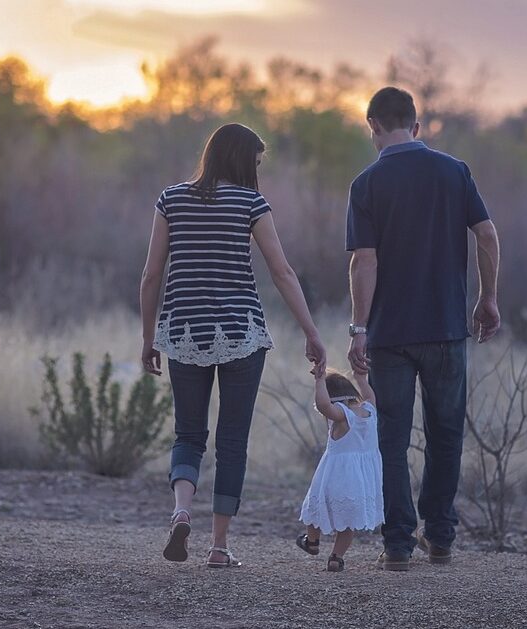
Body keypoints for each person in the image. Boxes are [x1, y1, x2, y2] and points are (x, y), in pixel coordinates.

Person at [140, 123, 326, 568]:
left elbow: (150, 275)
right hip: (242, 333)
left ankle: (182, 510)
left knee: (188, 434)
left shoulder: (171, 199)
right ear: (243, 160)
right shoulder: (251, 203)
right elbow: (282, 273)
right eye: (257, 162)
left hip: (184, 332)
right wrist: (311, 332)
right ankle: (219, 547)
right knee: (232, 441)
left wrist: (149, 338)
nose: (258, 171)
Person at [345, 87, 501, 571]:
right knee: (446, 434)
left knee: (391, 438)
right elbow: (487, 234)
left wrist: (358, 327)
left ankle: (396, 545)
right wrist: (488, 297)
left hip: (390, 335)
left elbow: (363, 262)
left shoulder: (366, 183)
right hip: (447, 328)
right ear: (416, 126)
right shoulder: (455, 172)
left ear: (372, 126)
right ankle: (440, 537)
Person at [295, 368, 384, 572]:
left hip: (336, 477)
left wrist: (319, 381)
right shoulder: (370, 410)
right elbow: (369, 395)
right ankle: (336, 557)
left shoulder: (342, 415)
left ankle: (312, 541)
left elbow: (323, 405)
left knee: (315, 508)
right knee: (348, 522)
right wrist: (361, 378)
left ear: (335, 399)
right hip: (361, 481)